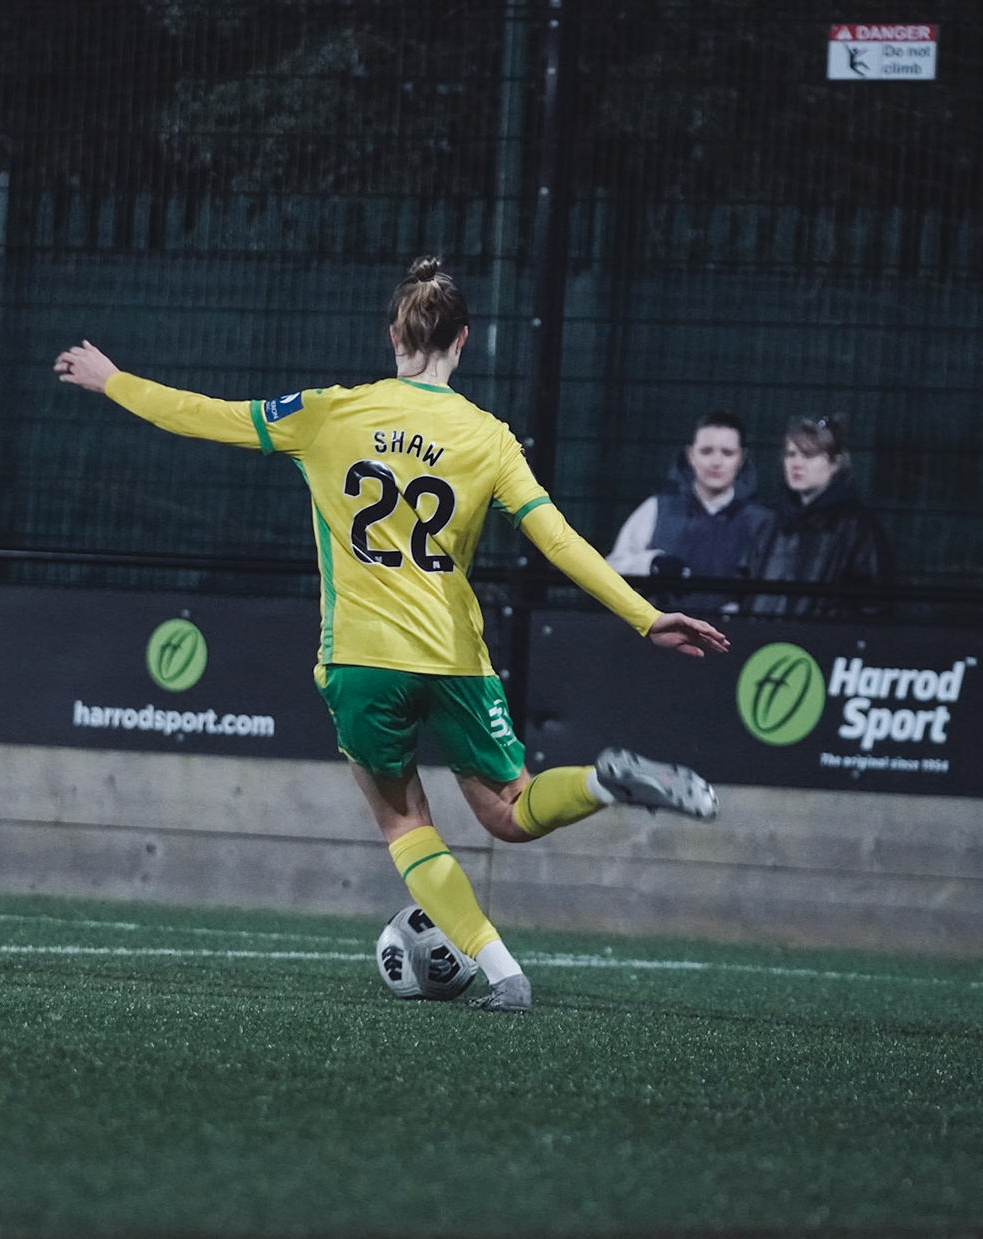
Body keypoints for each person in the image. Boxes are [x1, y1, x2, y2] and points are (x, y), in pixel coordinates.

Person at [55, 255, 728, 1014]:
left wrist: (114, 380)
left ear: (393, 336)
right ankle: (604, 782)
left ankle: (504, 972)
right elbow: (559, 540)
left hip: (362, 659)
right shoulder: (489, 438)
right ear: (463, 340)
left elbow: (202, 414)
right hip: (455, 658)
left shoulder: (327, 412)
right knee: (511, 810)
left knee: (405, 821)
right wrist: (645, 616)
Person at [605, 410, 773, 612]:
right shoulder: (657, 508)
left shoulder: (762, 523)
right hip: (659, 627)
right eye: (706, 451)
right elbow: (611, 569)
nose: (716, 462)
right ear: (691, 455)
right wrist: (651, 564)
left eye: (727, 453)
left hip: (733, 630)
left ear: (742, 458)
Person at [744, 415, 893, 617]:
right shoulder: (773, 523)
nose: (796, 463)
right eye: (791, 454)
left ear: (835, 464)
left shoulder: (856, 526)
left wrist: (828, 627)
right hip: (766, 635)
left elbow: (875, 602)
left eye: (809, 455)